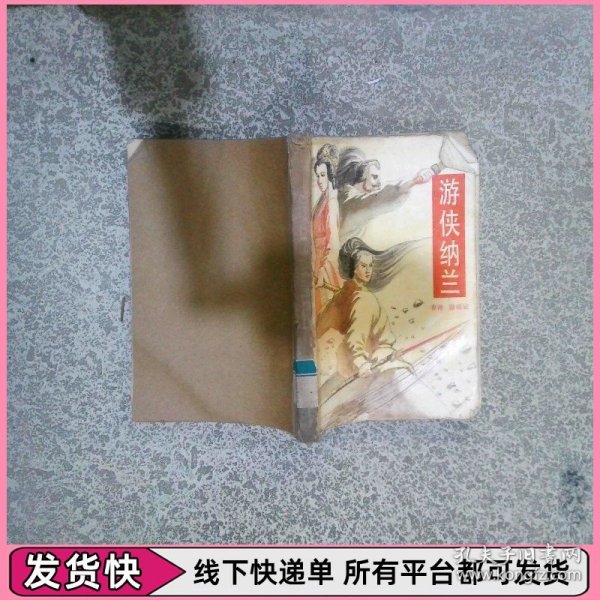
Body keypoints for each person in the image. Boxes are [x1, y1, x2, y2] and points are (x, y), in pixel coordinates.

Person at [316, 237, 415, 380]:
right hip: (373, 364)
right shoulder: (364, 299)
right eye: (363, 266)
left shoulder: (346, 295)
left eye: (370, 266)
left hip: (359, 362)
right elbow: (356, 334)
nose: (368, 271)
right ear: (354, 269)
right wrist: (360, 362)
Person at [335, 147, 441, 241]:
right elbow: (388, 194)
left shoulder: (346, 196)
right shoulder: (351, 201)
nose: (378, 183)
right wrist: (414, 181)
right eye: (374, 177)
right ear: (362, 176)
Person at [312, 144, 342, 314]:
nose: (319, 180)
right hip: (317, 266)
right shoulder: (322, 200)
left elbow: (333, 243)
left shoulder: (331, 202)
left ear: (331, 174)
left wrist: (323, 271)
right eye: (317, 176)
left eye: (323, 175)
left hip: (327, 268)